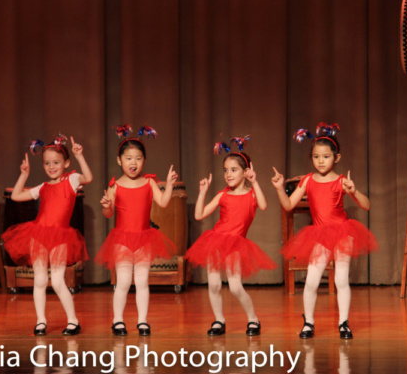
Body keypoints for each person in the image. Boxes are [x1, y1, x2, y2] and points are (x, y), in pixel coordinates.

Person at [271, 123, 378, 339]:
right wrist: (279, 188)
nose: (321, 161)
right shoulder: (308, 180)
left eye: (326, 157)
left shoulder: (341, 181)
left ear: (336, 158)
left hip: (342, 233)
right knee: (311, 281)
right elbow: (289, 205)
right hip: (320, 235)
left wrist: (354, 191)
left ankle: (344, 323)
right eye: (316, 156)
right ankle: (308, 322)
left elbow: (366, 206)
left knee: (340, 280)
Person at [185, 136, 277, 337]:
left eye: (233, 170)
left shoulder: (252, 194)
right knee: (214, 284)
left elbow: (263, 205)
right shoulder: (222, 195)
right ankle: (219, 320)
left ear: (246, 172)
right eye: (225, 170)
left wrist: (256, 182)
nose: (228, 174)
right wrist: (202, 193)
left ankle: (253, 319)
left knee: (235, 287)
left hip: (236, 244)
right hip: (216, 241)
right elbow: (199, 214)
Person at [2, 135, 92, 336]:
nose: (51, 167)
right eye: (47, 163)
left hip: (60, 237)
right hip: (38, 236)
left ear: (66, 163)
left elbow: (88, 178)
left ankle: (73, 321)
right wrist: (24, 175)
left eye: (56, 163)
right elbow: (16, 196)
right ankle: (41, 321)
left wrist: (80, 155)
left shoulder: (72, 179)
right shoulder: (43, 187)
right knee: (40, 280)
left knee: (58, 281)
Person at [96, 125, 178, 337]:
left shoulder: (149, 181)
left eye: (138, 158)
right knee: (123, 282)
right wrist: (106, 205)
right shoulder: (115, 185)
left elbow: (163, 202)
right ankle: (118, 321)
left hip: (144, 238)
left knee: (142, 282)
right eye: (129, 158)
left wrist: (168, 185)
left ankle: (142, 321)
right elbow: (108, 213)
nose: (133, 163)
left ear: (144, 161)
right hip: (122, 240)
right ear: (119, 160)